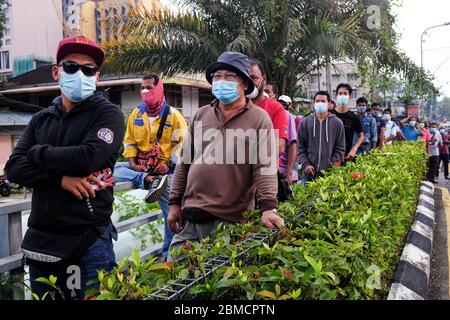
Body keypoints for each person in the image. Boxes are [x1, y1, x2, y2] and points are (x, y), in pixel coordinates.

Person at [5, 36, 125, 299]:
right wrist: (60, 180)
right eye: (71, 67)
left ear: (97, 77)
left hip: (89, 239)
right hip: (43, 242)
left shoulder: (108, 115)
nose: (79, 74)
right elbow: (14, 167)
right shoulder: (41, 119)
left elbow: (88, 157)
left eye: (88, 69)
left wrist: (37, 152)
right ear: (56, 72)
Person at [167, 52, 284, 259]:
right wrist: (174, 202)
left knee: (218, 284)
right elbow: (184, 162)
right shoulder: (201, 114)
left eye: (230, 76)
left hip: (228, 222)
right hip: (191, 217)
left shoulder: (259, 119)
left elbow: (264, 168)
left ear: (245, 84)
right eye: (217, 76)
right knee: (174, 277)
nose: (221, 81)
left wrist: (268, 207)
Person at [113, 74, 188, 260]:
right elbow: (129, 142)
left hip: (165, 172)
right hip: (141, 168)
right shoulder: (136, 114)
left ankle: (168, 257)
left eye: (149, 87)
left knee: (171, 214)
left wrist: (168, 163)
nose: (145, 91)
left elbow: (184, 145)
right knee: (111, 169)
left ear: (159, 88)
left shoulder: (173, 115)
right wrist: (132, 163)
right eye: (142, 88)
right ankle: (145, 180)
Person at [298, 91, 345, 184]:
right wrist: (306, 165)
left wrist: (331, 165)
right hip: (308, 175)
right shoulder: (305, 122)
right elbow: (300, 148)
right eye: (317, 101)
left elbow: (340, 148)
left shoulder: (337, 123)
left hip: (329, 175)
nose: (320, 103)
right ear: (313, 103)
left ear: (329, 104)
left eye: (323, 101)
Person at [249, 59, 289, 157]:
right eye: (246, 78)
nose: (249, 82)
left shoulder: (276, 108)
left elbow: (279, 147)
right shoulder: (235, 107)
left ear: (264, 79)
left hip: (263, 171)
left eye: (254, 78)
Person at [330, 83, 364, 162]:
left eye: (345, 93)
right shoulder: (329, 115)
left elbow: (361, 135)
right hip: (329, 157)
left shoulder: (354, 117)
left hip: (346, 157)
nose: (342, 95)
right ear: (336, 96)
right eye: (340, 93)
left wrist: (354, 149)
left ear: (350, 96)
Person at [278, 95, 298, 184]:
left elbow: (293, 142)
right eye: (280, 102)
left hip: (287, 163)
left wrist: (289, 172)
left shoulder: (293, 118)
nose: (282, 105)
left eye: (284, 103)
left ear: (290, 105)